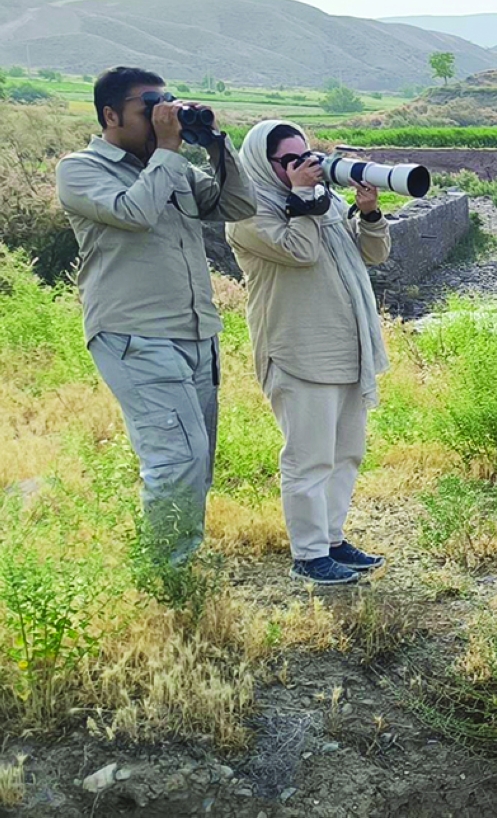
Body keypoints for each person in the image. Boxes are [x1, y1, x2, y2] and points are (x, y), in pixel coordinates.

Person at [56, 66, 255, 565]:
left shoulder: (177, 169)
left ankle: (179, 562)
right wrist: (167, 151)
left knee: (197, 462)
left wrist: (212, 143)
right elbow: (134, 213)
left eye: (169, 105)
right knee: (176, 460)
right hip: (134, 335)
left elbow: (238, 203)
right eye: (150, 110)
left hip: (194, 333)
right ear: (111, 115)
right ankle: (167, 576)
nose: (163, 117)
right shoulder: (81, 169)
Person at [227, 121, 391, 586]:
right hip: (297, 350)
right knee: (309, 458)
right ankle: (309, 553)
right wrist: (303, 199)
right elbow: (300, 251)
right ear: (264, 162)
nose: (307, 167)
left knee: (346, 454)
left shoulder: (326, 202)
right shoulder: (248, 212)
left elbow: (373, 255)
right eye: (291, 161)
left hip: (347, 346)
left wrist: (370, 213)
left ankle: (333, 539)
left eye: (308, 156)